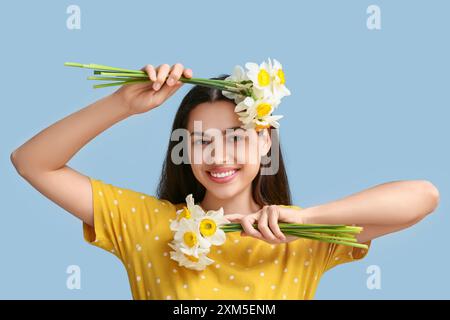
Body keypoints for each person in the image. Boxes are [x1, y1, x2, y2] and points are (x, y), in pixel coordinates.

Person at [10, 63, 440, 300]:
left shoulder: (306, 235)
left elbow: (423, 197)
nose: (218, 157)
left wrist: (305, 217)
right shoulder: (145, 223)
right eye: (200, 142)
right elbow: (32, 162)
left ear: (265, 142)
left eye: (236, 137)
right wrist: (122, 103)